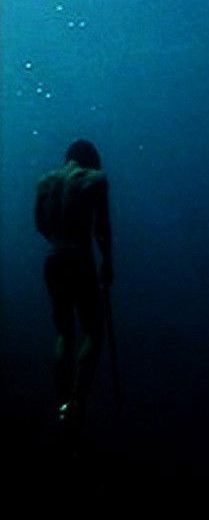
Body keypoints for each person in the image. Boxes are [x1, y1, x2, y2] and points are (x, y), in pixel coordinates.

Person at [35, 140, 113, 429]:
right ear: (91, 159)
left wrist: (60, 240)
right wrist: (107, 261)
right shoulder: (96, 179)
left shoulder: (45, 182)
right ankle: (77, 402)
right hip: (79, 258)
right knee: (93, 330)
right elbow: (102, 228)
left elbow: (40, 225)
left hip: (53, 259)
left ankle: (62, 402)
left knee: (64, 333)